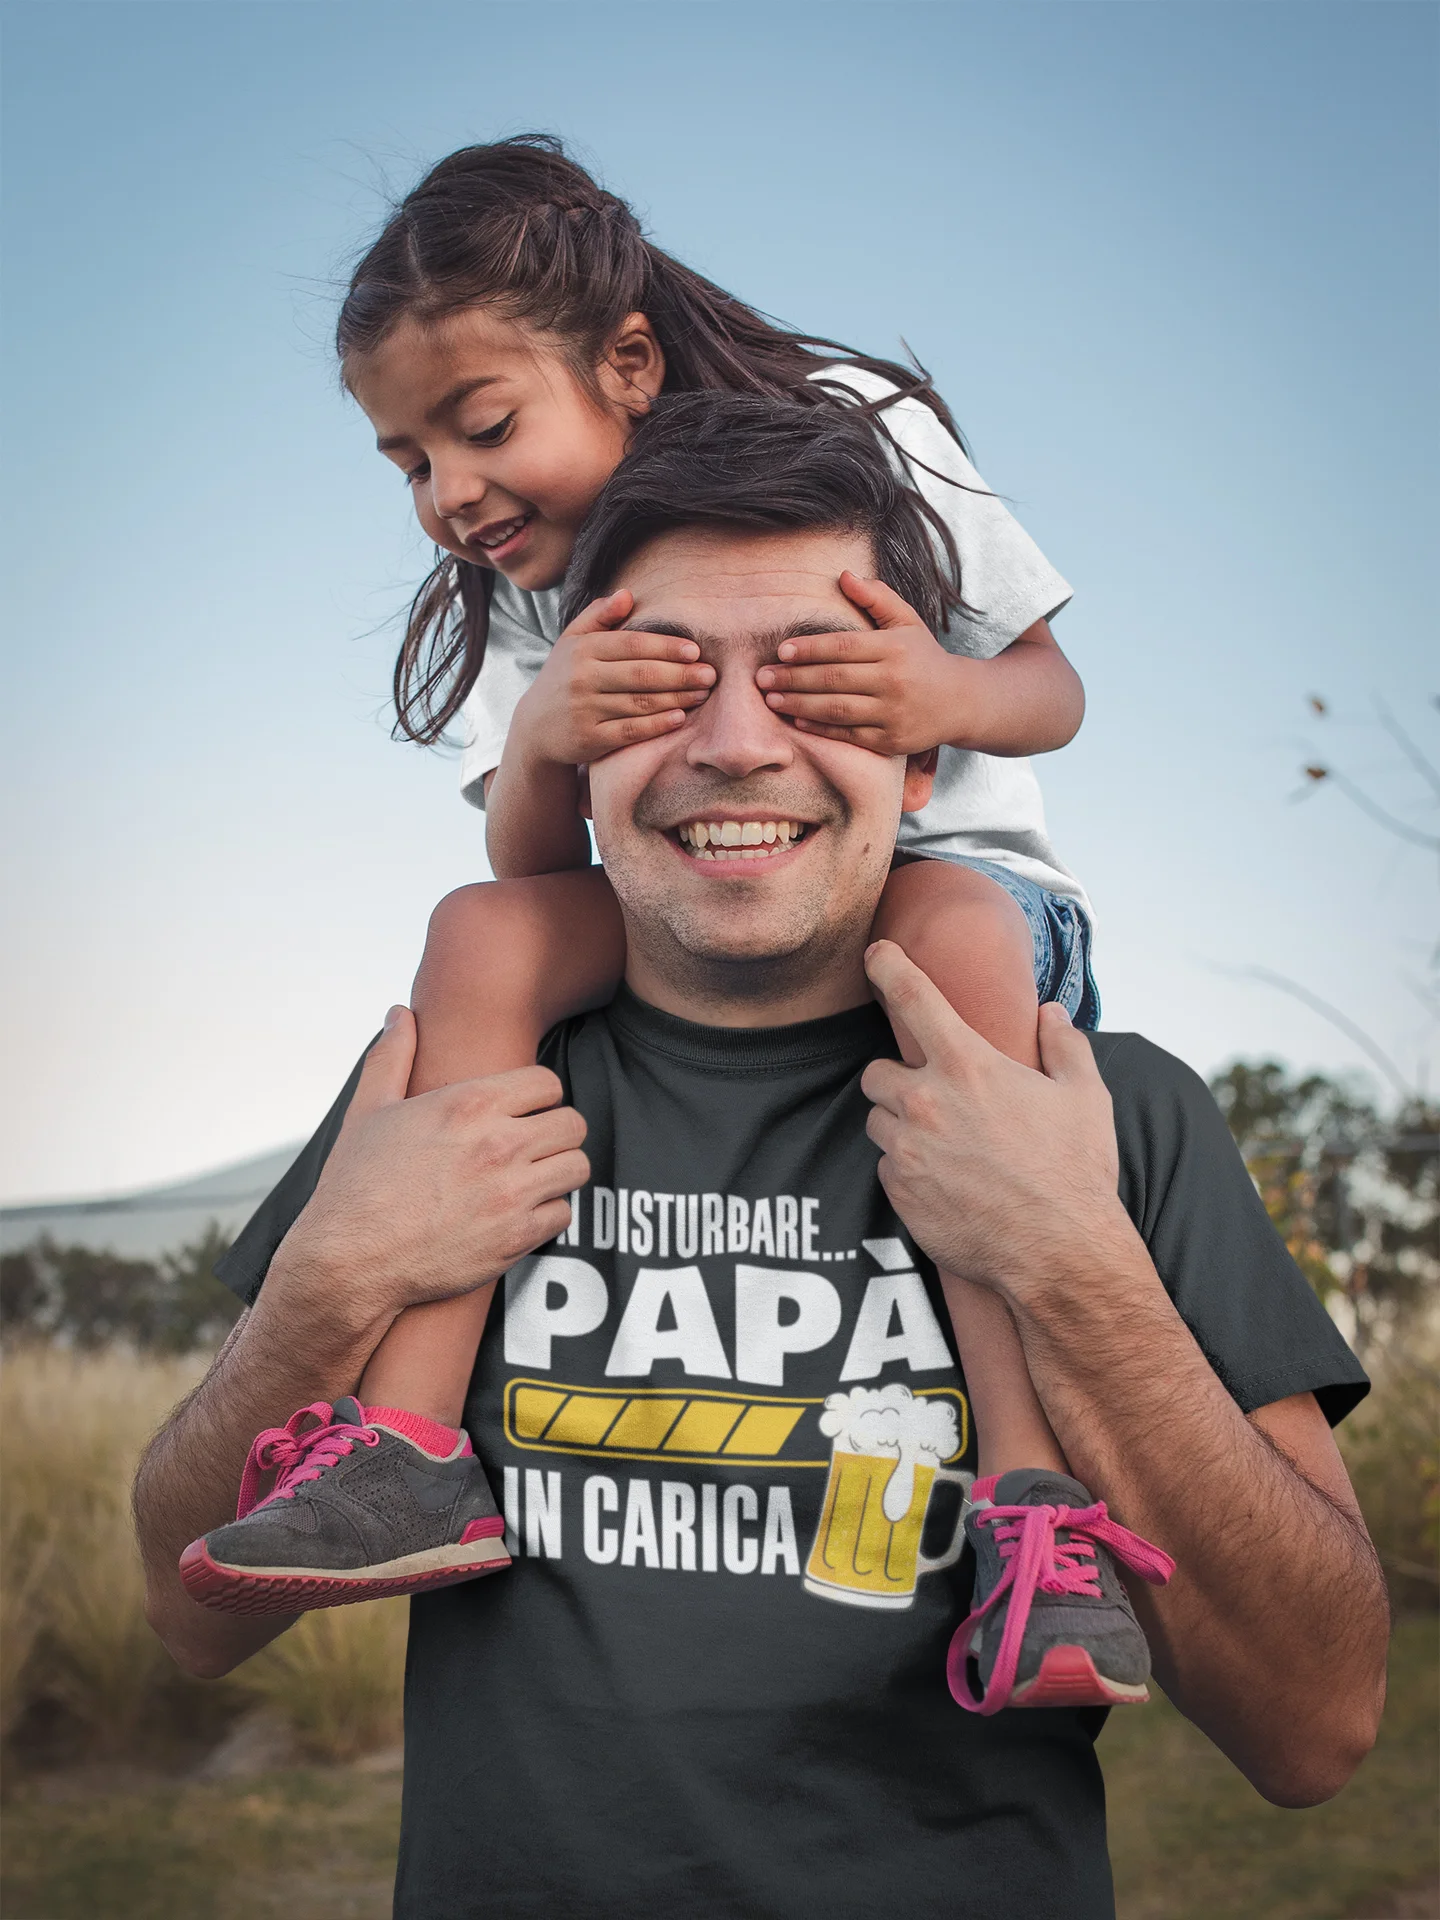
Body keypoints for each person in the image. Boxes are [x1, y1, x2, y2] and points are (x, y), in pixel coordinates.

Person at [134, 395, 1387, 1920]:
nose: (736, 745)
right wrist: (327, 1281)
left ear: (923, 759)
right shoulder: (453, 1091)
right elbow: (186, 1618)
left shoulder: (1107, 1117)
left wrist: (1075, 1262)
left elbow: (1320, 1729)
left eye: (816, 679)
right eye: (661, 683)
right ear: (576, 749)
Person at [176, 140, 1108, 1687]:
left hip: (963, 892)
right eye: (409, 463)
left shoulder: (858, 426)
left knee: (947, 926)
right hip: (705, 891)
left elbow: (1052, 688)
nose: (451, 493)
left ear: (624, 361)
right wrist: (546, 733)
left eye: (483, 428)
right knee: (477, 936)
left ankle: (1034, 1512)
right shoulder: (536, 585)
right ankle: (406, 1450)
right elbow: (533, 871)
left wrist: (937, 693)